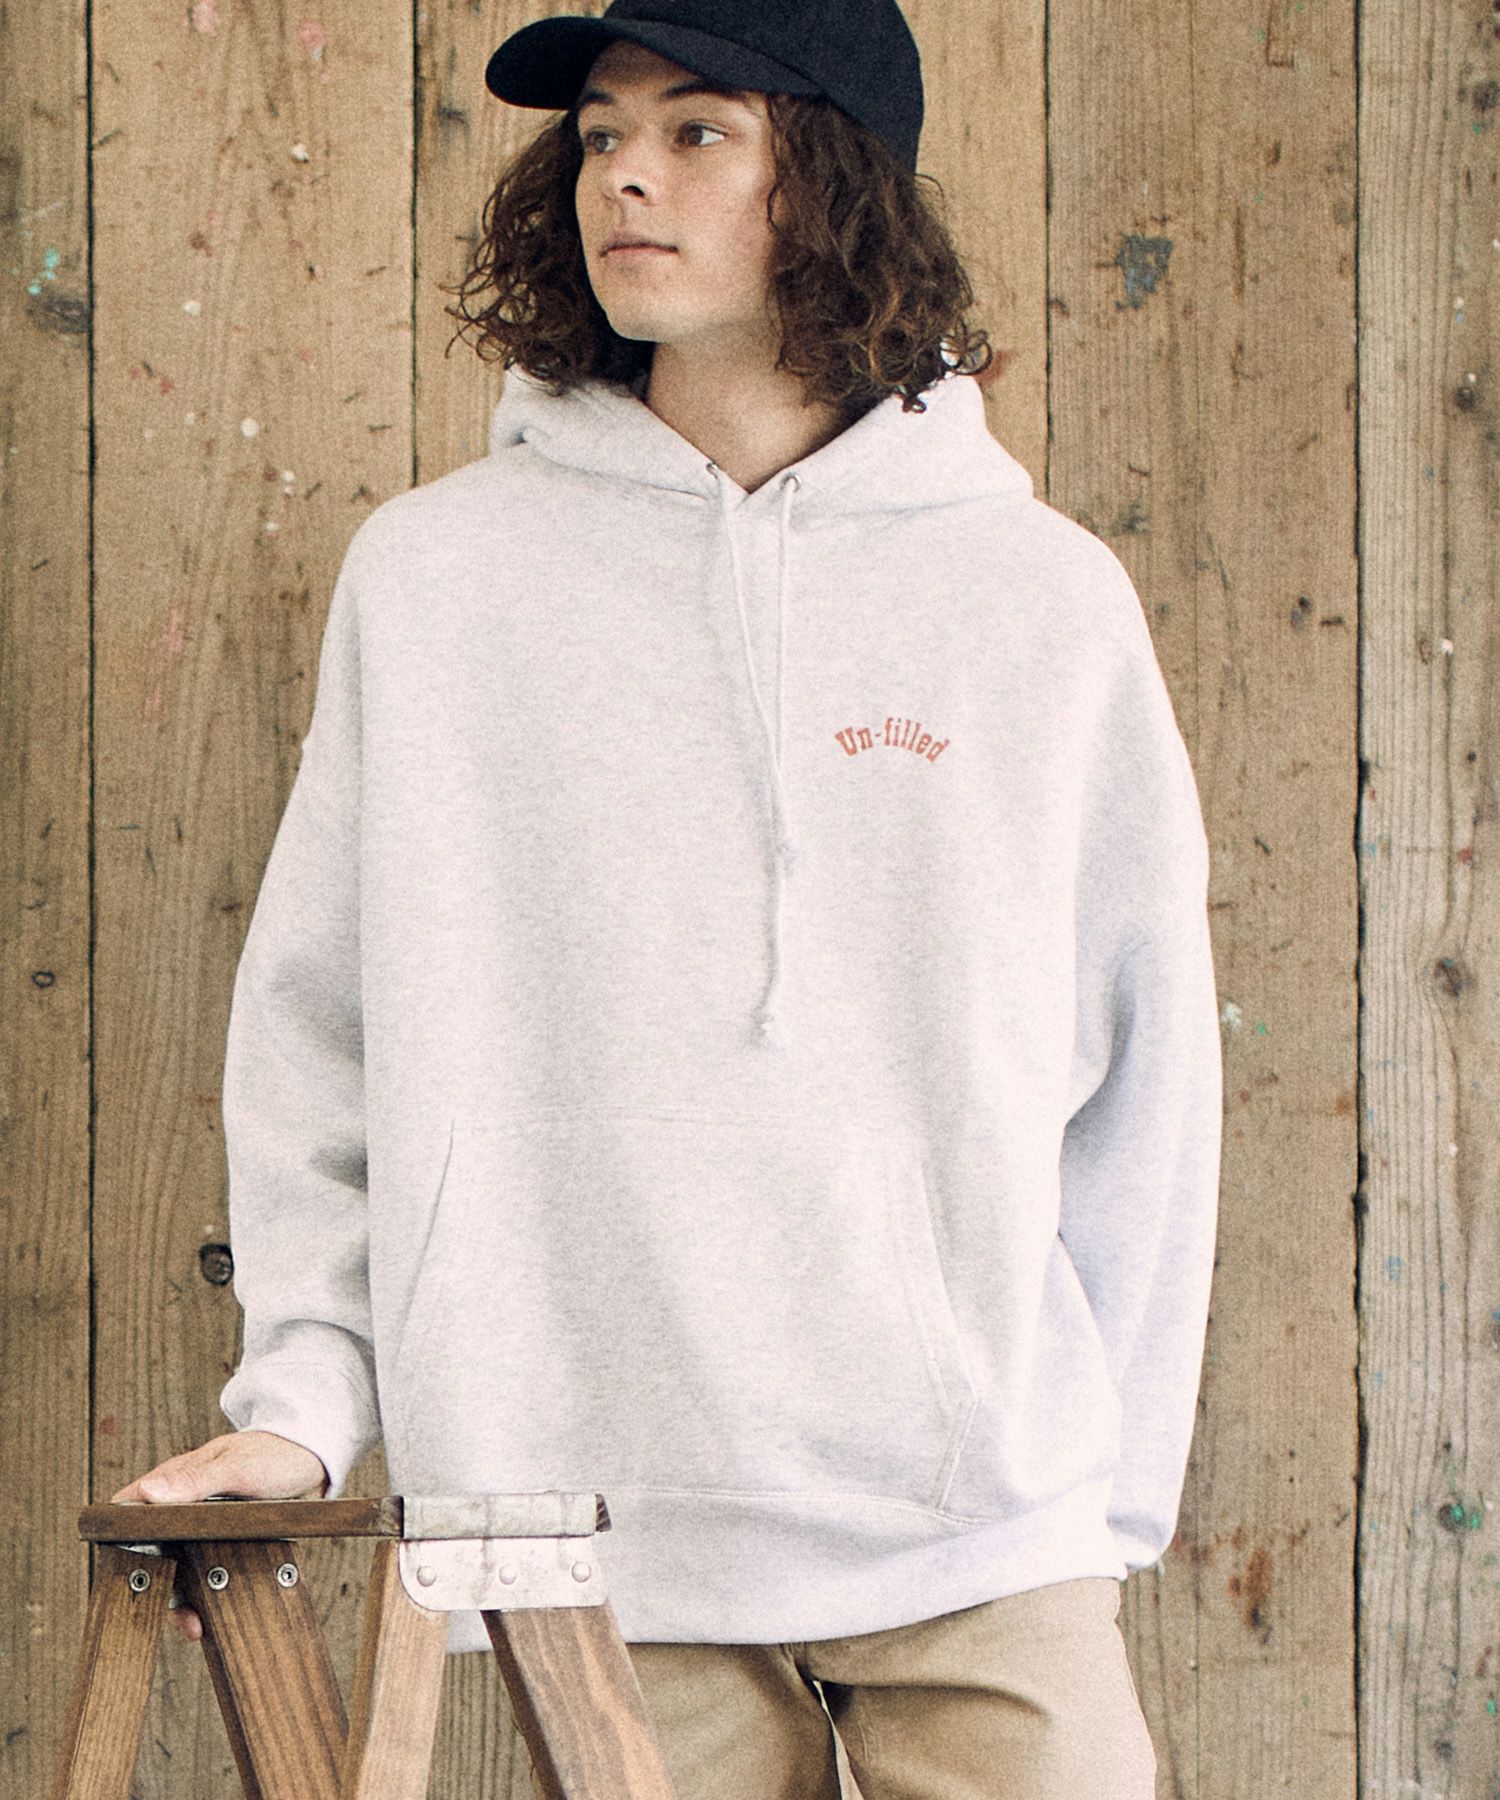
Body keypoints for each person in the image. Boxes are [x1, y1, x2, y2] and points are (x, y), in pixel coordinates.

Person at [114, 1, 1223, 1794]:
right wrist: (307, 1406)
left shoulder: (1037, 601)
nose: (624, 173)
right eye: (601, 133)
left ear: (837, 178)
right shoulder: (440, 584)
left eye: (697, 129)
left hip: (979, 1531)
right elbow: (321, 1038)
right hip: (589, 1537)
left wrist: (1099, 1504)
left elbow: (1149, 1080)